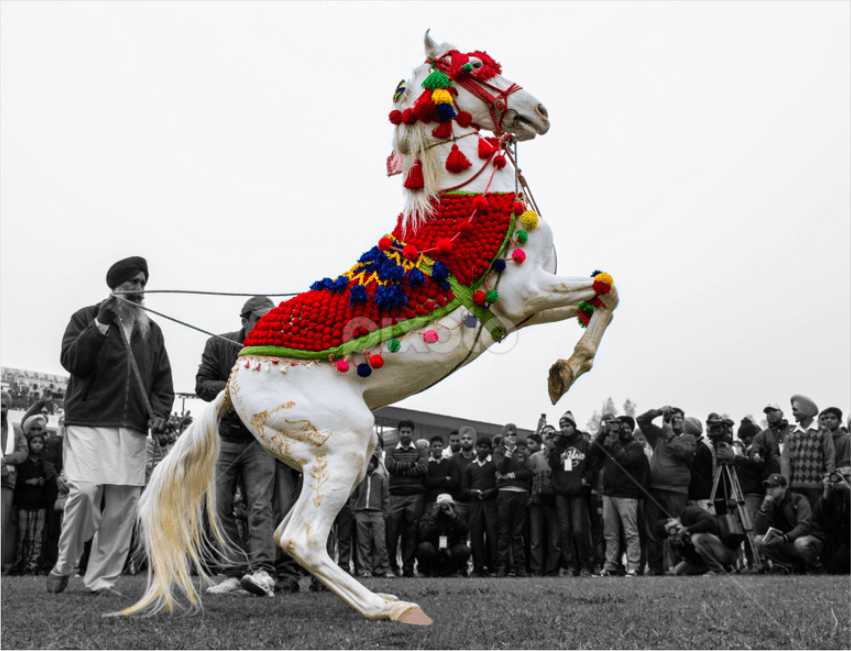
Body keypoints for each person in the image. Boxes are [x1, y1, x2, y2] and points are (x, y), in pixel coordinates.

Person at [48, 256, 175, 595]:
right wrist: (100, 325)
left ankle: (101, 580)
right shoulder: (85, 317)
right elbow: (73, 361)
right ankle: (65, 562)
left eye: (143, 283)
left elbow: (162, 382)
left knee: (123, 506)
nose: (139, 289)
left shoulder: (152, 330)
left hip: (132, 427)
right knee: (85, 492)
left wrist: (159, 412)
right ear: (115, 287)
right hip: (88, 421)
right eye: (132, 282)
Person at [197, 295, 279, 597]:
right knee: (220, 507)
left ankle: (262, 572)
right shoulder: (218, 344)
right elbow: (202, 385)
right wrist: (236, 387)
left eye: (271, 321)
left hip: (259, 440)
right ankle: (232, 572)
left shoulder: (278, 351)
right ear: (245, 320)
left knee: (260, 506)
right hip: (224, 439)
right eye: (260, 320)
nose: (266, 326)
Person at [636, 406, 696, 575]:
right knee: (652, 530)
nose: (675, 421)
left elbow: (684, 453)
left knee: (676, 528)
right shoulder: (658, 435)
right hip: (655, 489)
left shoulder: (689, 438)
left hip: (677, 491)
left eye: (678, 418)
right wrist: (658, 412)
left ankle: (678, 567)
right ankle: (655, 568)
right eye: (671, 418)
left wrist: (669, 434)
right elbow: (641, 420)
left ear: (684, 422)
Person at [588, 415, 648, 577]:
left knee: (630, 532)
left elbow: (626, 460)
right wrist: (603, 432)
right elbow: (593, 451)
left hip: (627, 494)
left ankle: (633, 566)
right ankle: (610, 566)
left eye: (628, 427)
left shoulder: (636, 446)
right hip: (609, 494)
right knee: (610, 533)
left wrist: (613, 444)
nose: (625, 430)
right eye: (622, 427)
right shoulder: (610, 443)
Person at [549, 410, 595, 577]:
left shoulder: (584, 444)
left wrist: (586, 480)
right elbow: (553, 464)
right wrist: (556, 445)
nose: (565, 428)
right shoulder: (558, 445)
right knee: (564, 530)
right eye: (562, 426)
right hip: (561, 492)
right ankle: (571, 565)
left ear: (574, 426)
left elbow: (592, 466)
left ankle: (585, 564)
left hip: (577, 492)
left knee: (578, 530)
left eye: (567, 425)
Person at [12, 420, 58, 574]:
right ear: (29, 443)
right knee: (22, 535)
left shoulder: (45, 464)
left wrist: (42, 481)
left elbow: (50, 484)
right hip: (24, 503)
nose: (37, 445)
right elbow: (17, 482)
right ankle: (20, 563)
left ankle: (33, 565)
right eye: (34, 442)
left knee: (37, 536)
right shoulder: (22, 462)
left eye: (40, 442)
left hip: (40, 505)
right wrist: (29, 481)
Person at [754, 473, 824, 572]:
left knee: (800, 543)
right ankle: (789, 566)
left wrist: (785, 538)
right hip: (785, 541)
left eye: (774, 486)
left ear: (784, 488)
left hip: (808, 539)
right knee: (758, 540)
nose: (770, 490)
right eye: (768, 487)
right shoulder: (769, 504)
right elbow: (758, 530)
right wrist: (763, 509)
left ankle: (815, 567)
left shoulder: (798, 499)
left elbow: (804, 526)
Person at [384, 420, 427, 577]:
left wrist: (400, 467)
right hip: (395, 496)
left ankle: (408, 568)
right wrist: (411, 464)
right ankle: (392, 567)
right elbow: (390, 466)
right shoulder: (390, 449)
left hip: (414, 496)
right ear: (398, 433)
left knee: (411, 533)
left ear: (412, 433)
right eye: (403, 432)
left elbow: (422, 468)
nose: (405, 434)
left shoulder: (421, 450)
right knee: (392, 534)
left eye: (408, 432)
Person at [782, 395, 834, 509]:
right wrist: (786, 485)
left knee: (816, 517)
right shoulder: (791, 434)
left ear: (805, 410)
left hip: (817, 487)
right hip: (795, 488)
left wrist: (829, 481)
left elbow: (830, 458)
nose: (793, 413)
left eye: (795, 410)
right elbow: (785, 462)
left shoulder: (823, 432)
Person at [661, 504, 741, 575]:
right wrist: (681, 545)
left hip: (727, 551)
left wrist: (687, 529)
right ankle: (725, 568)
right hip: (710, 556)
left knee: (697, 538)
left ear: (671, 520)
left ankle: (718, 570)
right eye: (670, 534)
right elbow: (692, 559)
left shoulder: (689, 512)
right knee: (678, 571)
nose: (674, 532)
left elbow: (709, 522)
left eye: (672, 528)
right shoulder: (680, 536)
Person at [494, 436, 531, 577]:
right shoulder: (499, 452)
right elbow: (500, 469)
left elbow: (528, 472)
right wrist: (508, 454)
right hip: (505, 493)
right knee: (504, 531)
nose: (511, 437)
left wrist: (512, 474)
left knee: (517, 533)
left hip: (521, 493)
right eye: (508, 434)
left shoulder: (523, 452)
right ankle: (502, 566)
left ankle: (520, 567)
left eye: (513, 434)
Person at [527, 425, 560, 577]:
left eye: (551, 433)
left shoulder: (560, 456)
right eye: (545, 433)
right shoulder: (534, 458)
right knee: (536, 539)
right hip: (537, 501)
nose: (548, 436)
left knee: (554, 539)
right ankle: (536, 569)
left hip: (555, 502)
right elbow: (527, 477)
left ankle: (552, 569)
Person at [2, 391, 29, 572]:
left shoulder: (16, 430)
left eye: (3, 405)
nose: (1, 408)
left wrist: (5, 460)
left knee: (2, 523)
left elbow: (23, 452)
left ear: (9, 408)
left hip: (6, 481)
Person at [350, 454, 390, 578]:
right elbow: (353, 496)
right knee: (363, 543)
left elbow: (386, 497)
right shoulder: (359, 479)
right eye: (367, 463)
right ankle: (364, 569)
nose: (369, 465)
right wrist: (354, 512)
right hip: (361, 513)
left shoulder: (381, 478)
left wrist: (384, 513)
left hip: (377, 513)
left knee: (380, 542)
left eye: (371, 462)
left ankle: (380, 569)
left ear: (375, 464)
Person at [465, 437, 498, 576]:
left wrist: (491, 491)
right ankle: (478, 567)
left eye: (485, 447)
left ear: (490, 449)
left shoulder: (493, 465)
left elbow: (499, 485)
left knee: (492, 535)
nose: (482, 449)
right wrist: (472, 492)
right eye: (480, 446)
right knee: (476, 536)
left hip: (490, 505)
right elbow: (464, 488)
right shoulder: (470, 467)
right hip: (475, 505)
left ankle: (492, 567)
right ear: (476, 448)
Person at [415, 494, 470, 577]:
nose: (444, 508)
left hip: (451, 548)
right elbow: (423, 534)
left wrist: (453, 516)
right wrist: (433, 517)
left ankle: (454, 571)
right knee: (424, 547)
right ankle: (425, 571)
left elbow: (464, 530)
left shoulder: (457, 515)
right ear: (436, 505)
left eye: (448, 505)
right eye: (441, 505)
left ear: (452, 506)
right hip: (434, 548)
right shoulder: (429, 515)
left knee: (463, 550)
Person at [813, 466, 850, 574]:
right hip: (833, 538)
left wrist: (848, 489)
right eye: (839, 475)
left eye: (846, 476)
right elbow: (818, 516)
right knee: (833, 562)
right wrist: (826, 491)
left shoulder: (847, 491)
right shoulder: (832, 493)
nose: (841, 479)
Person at [447, 426, 477, 524]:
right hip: (458, 502)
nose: (466, 441)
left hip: (475, 503)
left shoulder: (478, 459)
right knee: (458, 531)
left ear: (474, 440)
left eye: (469, 438)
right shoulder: (452, 459)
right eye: (463, 438)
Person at [752, 403, 791, 476]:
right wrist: (756, 455)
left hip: (795, 474)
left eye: (774, 411)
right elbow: (755, 449)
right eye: (768, 412)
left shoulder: (793, 430)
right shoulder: (762, 435)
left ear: (781, 413)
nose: (770, 414)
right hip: (774, 476)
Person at [424, 436, 453, 505]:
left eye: (440, 446)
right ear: (430, 448)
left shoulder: (449, 462)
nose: (437, 448)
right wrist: (444, 478)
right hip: (431, 500)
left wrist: (435, 480)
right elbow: (427, 482)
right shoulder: (426, 464)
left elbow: (452, 482)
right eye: (435, 446)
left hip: (447, 499)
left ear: (443, 447)